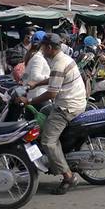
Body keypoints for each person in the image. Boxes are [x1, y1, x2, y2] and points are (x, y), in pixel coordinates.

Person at [19, 33, 87, 195]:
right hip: (74, 101)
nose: (42, 49)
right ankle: (56, 155)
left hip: (67, 106)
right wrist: (36, 83)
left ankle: (68, 176)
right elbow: (54, 79)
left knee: (48, 141)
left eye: (43, 47)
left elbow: (51, 94)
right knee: (43, 111)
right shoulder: (63, 58)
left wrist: (28, 102)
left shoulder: (58, 64)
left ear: (49, 48)